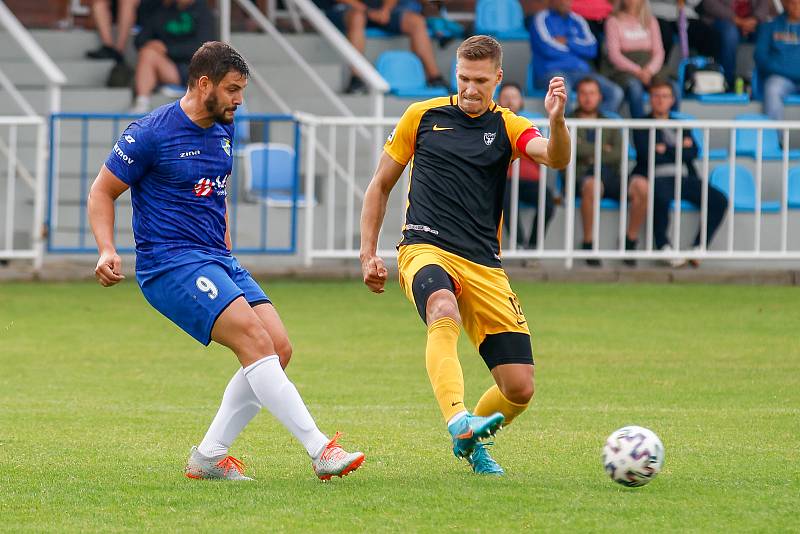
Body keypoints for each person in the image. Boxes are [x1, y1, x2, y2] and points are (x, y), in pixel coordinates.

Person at [87, 41, 365, 481]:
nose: (239, 99)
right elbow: (102, 191)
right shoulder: (150, 133)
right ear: (204, 84)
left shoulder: (224, 127)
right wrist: (107, 248)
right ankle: (320, 450)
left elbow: (216, 192)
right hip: (170, 265)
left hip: (216, 259)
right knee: (255, 340)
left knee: (278, 348)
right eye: (233, 89)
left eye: (242, 90)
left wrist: (226, 246)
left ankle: (209, 457)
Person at [359, 35, 570, 475]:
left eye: (480, 81)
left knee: (520, 387)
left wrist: (558, 121)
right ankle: (458, 419)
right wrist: (368, 254)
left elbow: (554, 157)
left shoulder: (509, 125)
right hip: (425, 248)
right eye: (463, 79)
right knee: (442, 308)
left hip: (484, 265)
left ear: (498, 78)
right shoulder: (422, 116)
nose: (471, 89)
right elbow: (379, 186)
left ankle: (474, 442)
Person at [631, 80, 728, 266]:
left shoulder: (682, 124)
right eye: (656, 96)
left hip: (685, 177)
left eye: (665, 96)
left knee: (719, 200)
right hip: (656, 176)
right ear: (650, 99)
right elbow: (646, 154)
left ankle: (699, 247)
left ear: (672, 100)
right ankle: (663, 246)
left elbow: (694, 152)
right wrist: (678, 150)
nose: (660, 100)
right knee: (659, 197)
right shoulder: (641, 124)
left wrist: (664, 149)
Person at [569, 77, 647, 266]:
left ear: (600, 97)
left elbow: (618, 155)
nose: (588, 98)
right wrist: (602, 149)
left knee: (642, 186)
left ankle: (630, 242)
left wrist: (588, 150)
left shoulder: (610, 122)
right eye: (584, 93)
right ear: (577, 97)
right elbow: (572, 151)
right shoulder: (567, 121)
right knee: (592, 186)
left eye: (592, 93)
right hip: (580, 175)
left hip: (610, 174)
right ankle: (588, 244)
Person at [316, 0, 448, 93]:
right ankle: (356, 79)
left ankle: (434, 77)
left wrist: (385, 10)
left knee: (416, 22)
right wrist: (368, 11)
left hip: (380, 11)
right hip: (348, 10)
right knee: (357, 17)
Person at [529, 0, 624, 114]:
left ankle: (591, 127)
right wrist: (578, 49)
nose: (566, 2)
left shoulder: (577, 19)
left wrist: (568, 42)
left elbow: (592, 49)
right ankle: (566, 130)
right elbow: (548, 49)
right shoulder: (541, 18)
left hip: (581, 73)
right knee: (563, 91)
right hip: (552, 72)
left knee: (615, 92)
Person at [498, 82, 556, 250]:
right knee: (503, 197)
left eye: (514, 97)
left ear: (521, 101)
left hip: (530, 181)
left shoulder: (531, 125)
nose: (510, 101)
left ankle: (532, 246)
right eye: (505, 97)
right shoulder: (493, 124)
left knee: (548, 201)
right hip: (504, 181)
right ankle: (520, 244)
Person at [131, 0, 215, 113]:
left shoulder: (202, 11)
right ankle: (142, 102)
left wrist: (167, 49)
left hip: (194, 71)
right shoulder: (164, 10)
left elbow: (204, 48)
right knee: (147, 52)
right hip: (169, 67)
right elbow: (140, 40)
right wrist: (154, 44)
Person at [603, 0, 666, 118]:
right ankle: (640, 133)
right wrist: (637, 71)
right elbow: (614, 55)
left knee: (671, 88)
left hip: (649, 68)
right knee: (634, 87)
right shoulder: (613, 21)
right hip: (624, 71)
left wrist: (649, 71)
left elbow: (659, 52)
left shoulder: (651, 21)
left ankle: (670, 127)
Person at [701, 0, 777, 87]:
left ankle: (764, 82)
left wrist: (754, 20)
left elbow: (764, 4)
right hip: (722, 19)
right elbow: (709, 3)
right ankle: (728, 81)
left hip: (752, 21)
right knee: (730, 33)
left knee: (766, 32)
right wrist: (738, 21)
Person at [755, 0, 800, 121]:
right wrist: (790, 69)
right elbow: (760, 56)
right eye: (793, 3)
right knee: (772, 88)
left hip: (783, 72)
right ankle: (775, 138)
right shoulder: (770, 26)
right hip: (781, 79)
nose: (797, 7)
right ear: (786, 4)